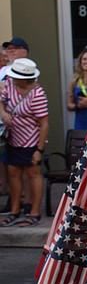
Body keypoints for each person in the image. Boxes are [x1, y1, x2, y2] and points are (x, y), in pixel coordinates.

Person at [0, 58, 48, 227]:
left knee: (33, 173)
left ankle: (34, 212)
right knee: (13, 172)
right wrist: (4, 113)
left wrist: (39, 150)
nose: (11, 78)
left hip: (31, 139)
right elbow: (1, 100)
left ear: (24, 78)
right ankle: (15, 210)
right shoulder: (11, 87)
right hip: (12, 136)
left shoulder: (37, 94)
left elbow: (44, 124)